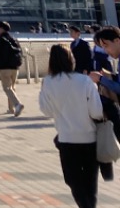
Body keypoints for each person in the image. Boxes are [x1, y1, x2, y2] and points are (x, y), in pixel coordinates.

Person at [40, 44, 104, 208]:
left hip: (66, 139)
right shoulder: (84, 81)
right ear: (71, 60)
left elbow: (46, 111)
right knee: (90, 183)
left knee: (73, 181)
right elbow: (97, 111)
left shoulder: (47, 82)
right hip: (90, 138)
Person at [0, 20, 25, 116]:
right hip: (15, 67)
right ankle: (11, 109)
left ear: (1, 28)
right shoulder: (14, 39)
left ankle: (18, 104)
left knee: (7, 88)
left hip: (4, 67)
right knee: (12, 88)